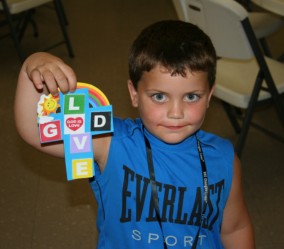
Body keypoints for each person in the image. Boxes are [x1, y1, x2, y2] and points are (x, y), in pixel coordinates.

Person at [14, 20, 255, 248]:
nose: (176, 112)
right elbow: (34, 131)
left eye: (191, 97)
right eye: (159, 96)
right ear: (134, 94)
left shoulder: (224, 157)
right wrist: (33, 64)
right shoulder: (110, 143)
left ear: (209, 95)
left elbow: (234, 228)